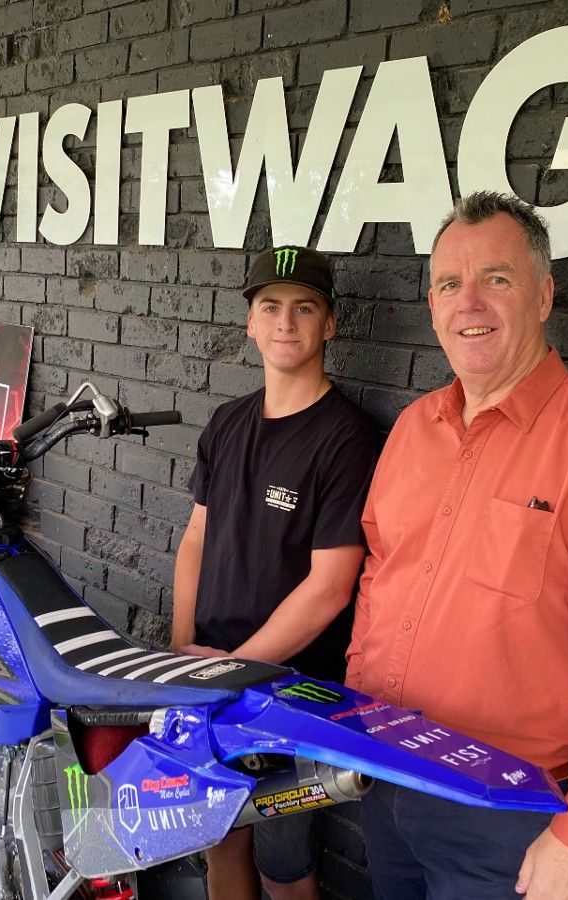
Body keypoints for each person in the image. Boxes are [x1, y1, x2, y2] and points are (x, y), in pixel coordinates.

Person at [346, 192, 568, 900]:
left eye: (495, 279)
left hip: (506, 815)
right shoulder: (412, 430)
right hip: (386, 779)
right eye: (448, 283)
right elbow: (381, 575)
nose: (468, 302)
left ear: (542, 295)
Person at [171, 245, 379, 900]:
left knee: (284, 868)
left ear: (330, 326)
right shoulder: (227, 423)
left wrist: (235, 670)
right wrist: (182, 657)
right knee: (219, 844)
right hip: (208, 681)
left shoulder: (348, 440)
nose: (286, 322)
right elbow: (196, 539)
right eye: (271, 307)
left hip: (291, 699)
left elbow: (329, 588)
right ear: (251, 323)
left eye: (304, 308)